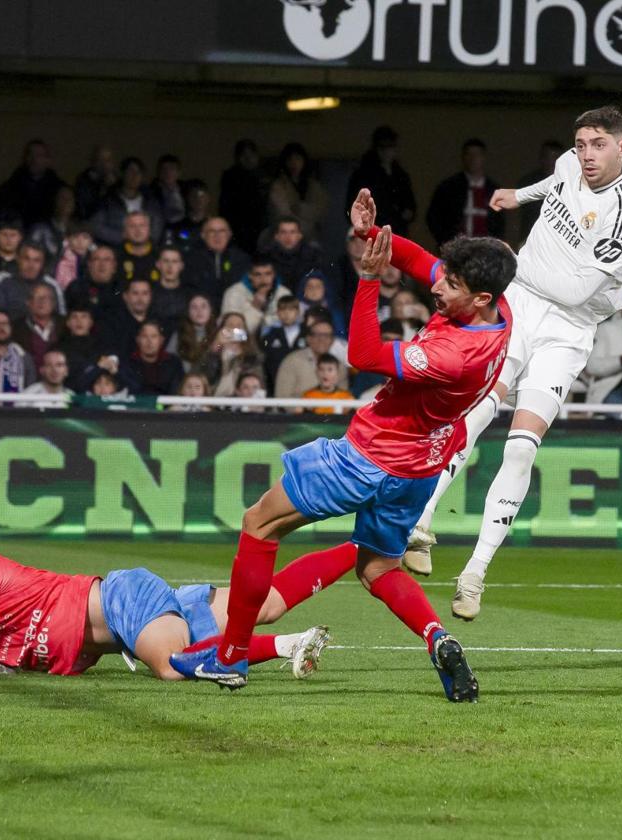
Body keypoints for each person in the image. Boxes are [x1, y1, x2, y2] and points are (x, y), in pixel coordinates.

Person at [168, 191, 516, 700]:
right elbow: (420, 260)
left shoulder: (453, 354)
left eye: (452, 285)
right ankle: (438, 638)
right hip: (421, 467)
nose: (438, 286)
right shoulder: (495, 304)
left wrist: (369, 278)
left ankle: (230, 657)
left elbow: (363, 354)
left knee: (258, 523)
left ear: (480, 297)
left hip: (371, 457)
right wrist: (372, 236)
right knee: (378, 568)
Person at [407, 106, 622, 621]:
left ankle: (474, 574)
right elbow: (554, 180)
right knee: (476, 410)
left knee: (521, 447)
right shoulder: (570, 163)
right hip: (520, 307)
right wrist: (517, 196)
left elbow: (580, 290)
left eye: (599, 145)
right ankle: (421, 523)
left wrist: (513, 265)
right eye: (581, 143)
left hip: (566, 328)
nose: (586, 154)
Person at [0, 510, 333, 680]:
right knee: (263, 603)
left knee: (171, 666)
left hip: (124, 603)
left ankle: (290, 644)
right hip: (128, 613)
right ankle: (363, 548)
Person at [426, 138, 505, 247]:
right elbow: (434, 217)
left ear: (483, 157)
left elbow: (499, 222)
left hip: (486, 249)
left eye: (477, 155)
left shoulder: (493, 190)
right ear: (463, 157)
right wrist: (446, 241)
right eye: (469, 154)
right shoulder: (448, 188)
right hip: (455, 248)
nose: (473, 159)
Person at [345, 126, 416, 237]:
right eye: (383, 147)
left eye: (391, 147)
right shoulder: (364, 175)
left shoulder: (400, 176)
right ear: (376, 149)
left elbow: (410, 206)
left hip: (397, 233)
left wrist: (406, 213)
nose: (387, 152)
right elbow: (353, 207)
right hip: (372, 232)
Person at [0, 241, 64, 321]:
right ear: (18, 258)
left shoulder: (52, 285)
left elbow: (61, 318)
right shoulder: (2, 280)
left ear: (43, 263)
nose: (31, 265)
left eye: (37, 260)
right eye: (26, 259)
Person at [268, 143, 328, 244]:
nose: (294, 163)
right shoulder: (278, 185)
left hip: (311, 239)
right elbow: (282, 212)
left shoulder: (313, 185)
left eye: (298, 159)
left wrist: (300, 208)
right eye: (290, 160)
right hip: (286, 239)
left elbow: (320, 209)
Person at [221, 257, 294, 337]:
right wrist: (255, 308)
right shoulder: (233, 293)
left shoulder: (284, 294)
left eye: (268, 274)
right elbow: (233, 334)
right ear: (249, 275)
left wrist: (264, 322)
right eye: (257, 275)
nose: (263, 280)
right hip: (242, 345)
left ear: (274, 275)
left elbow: (289, 326)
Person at [10, 282, 65, 370]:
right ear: (28, 302)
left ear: (53, 303)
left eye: (46, 298)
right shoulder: (16, 328)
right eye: (37, 298)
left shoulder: (65, 325)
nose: (41, 302)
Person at [123, 321, 184, 396]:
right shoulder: (127, 363)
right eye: (144, 336)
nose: (149, 341)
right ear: (138, 340)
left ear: (161, 340)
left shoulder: (174, 363)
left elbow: (176, 391)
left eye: (154, 336)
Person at [261, 296, 305, 387]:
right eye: (282, 310)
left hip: (302, 380)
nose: (286, 313)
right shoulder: (270, 334)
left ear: (297, 312)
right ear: (277, 313)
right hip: (276, 380)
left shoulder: (306, 333)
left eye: (290, 309)